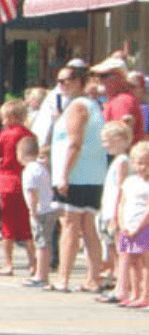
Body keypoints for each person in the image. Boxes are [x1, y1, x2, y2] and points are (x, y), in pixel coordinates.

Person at [48, 65, 108, 293]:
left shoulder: (79, 107)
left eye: (66, 81)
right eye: (59, 81)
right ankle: (93, 278)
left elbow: (75, 142)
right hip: (91, 174)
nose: (61, 85)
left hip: (78, 175)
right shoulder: (84, 105)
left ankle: (63, 277)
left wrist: (64, 174)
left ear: (79, 82)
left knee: (71, 226)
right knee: (87, 225)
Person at [0, 100, 36, 277]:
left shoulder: (6, 134)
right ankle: (33, 262)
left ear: (10, 117)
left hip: (7, 180)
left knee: (7, 225)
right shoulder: (29, 134)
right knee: (27, 225)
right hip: (25, 180)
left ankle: (8, 263)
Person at [109, 140, 149, 307]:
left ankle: (145, 295)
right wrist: (121, 222)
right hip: (128, 226)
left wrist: (139, 226)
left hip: (143, 226)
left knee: (145, 262)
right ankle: (134, 293)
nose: (142, 167)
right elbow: (122, 203)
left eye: (146, 163)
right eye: (139, 163)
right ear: (132, 163)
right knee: (132, 262)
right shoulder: (130, 182)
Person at [95, 120, 133, 296]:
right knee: (113, 250)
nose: (104, 145)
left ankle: (122, 287)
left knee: (119, 251)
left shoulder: (123, 161)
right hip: (108, 210)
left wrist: (115, 215)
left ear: (119, 139)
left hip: (115, 212)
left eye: (107, 140)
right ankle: (119, 284)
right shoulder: (118, 160)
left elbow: (120, 188)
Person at [19, 136, 59, 288]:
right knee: (46, 242)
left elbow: (32, 192)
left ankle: (41, 275)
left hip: (40, 211)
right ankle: (43, 271)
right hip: (49, 208)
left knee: (41, 243)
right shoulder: (42, 167)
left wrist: (32, 210)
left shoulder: (30, 170)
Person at [92, 56, 144, 143]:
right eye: (98, 76)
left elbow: (119, 139)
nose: (99, 80)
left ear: (120, 76)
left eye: (103, 76)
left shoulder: (122, 101)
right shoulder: (116, 99)